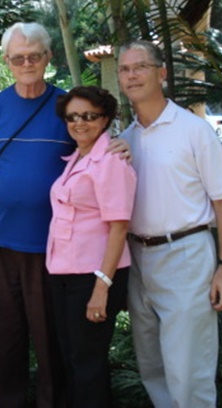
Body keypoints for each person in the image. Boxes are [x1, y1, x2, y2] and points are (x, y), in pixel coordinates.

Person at [0, 22, 130, 407]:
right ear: (7, 62)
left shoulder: (66, 107)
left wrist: (120, 145)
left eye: (34, 56)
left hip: (52, 248)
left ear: (48, 57)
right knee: (6, 338)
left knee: (51, 342)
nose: (26, 64)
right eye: (18, 58)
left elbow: (93, 141)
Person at [118, 40, 222, 408]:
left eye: (140, 66)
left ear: (162, 73)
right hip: (138, 258)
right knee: (152, 365)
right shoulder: (125, 138)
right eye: (125, 69)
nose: (132, 75)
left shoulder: (193, 130)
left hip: (186, 254)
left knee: (188, 368)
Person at [47, 86, 136, 407]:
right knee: (72, 358)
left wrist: (102, 286)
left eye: (89, 116)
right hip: (64, 272)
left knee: (87, 363)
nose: (79, 123)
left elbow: (119, 226)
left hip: (94, 275)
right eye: (72, 117)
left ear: (106, 118)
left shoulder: (111, 161)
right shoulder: (76, 158)